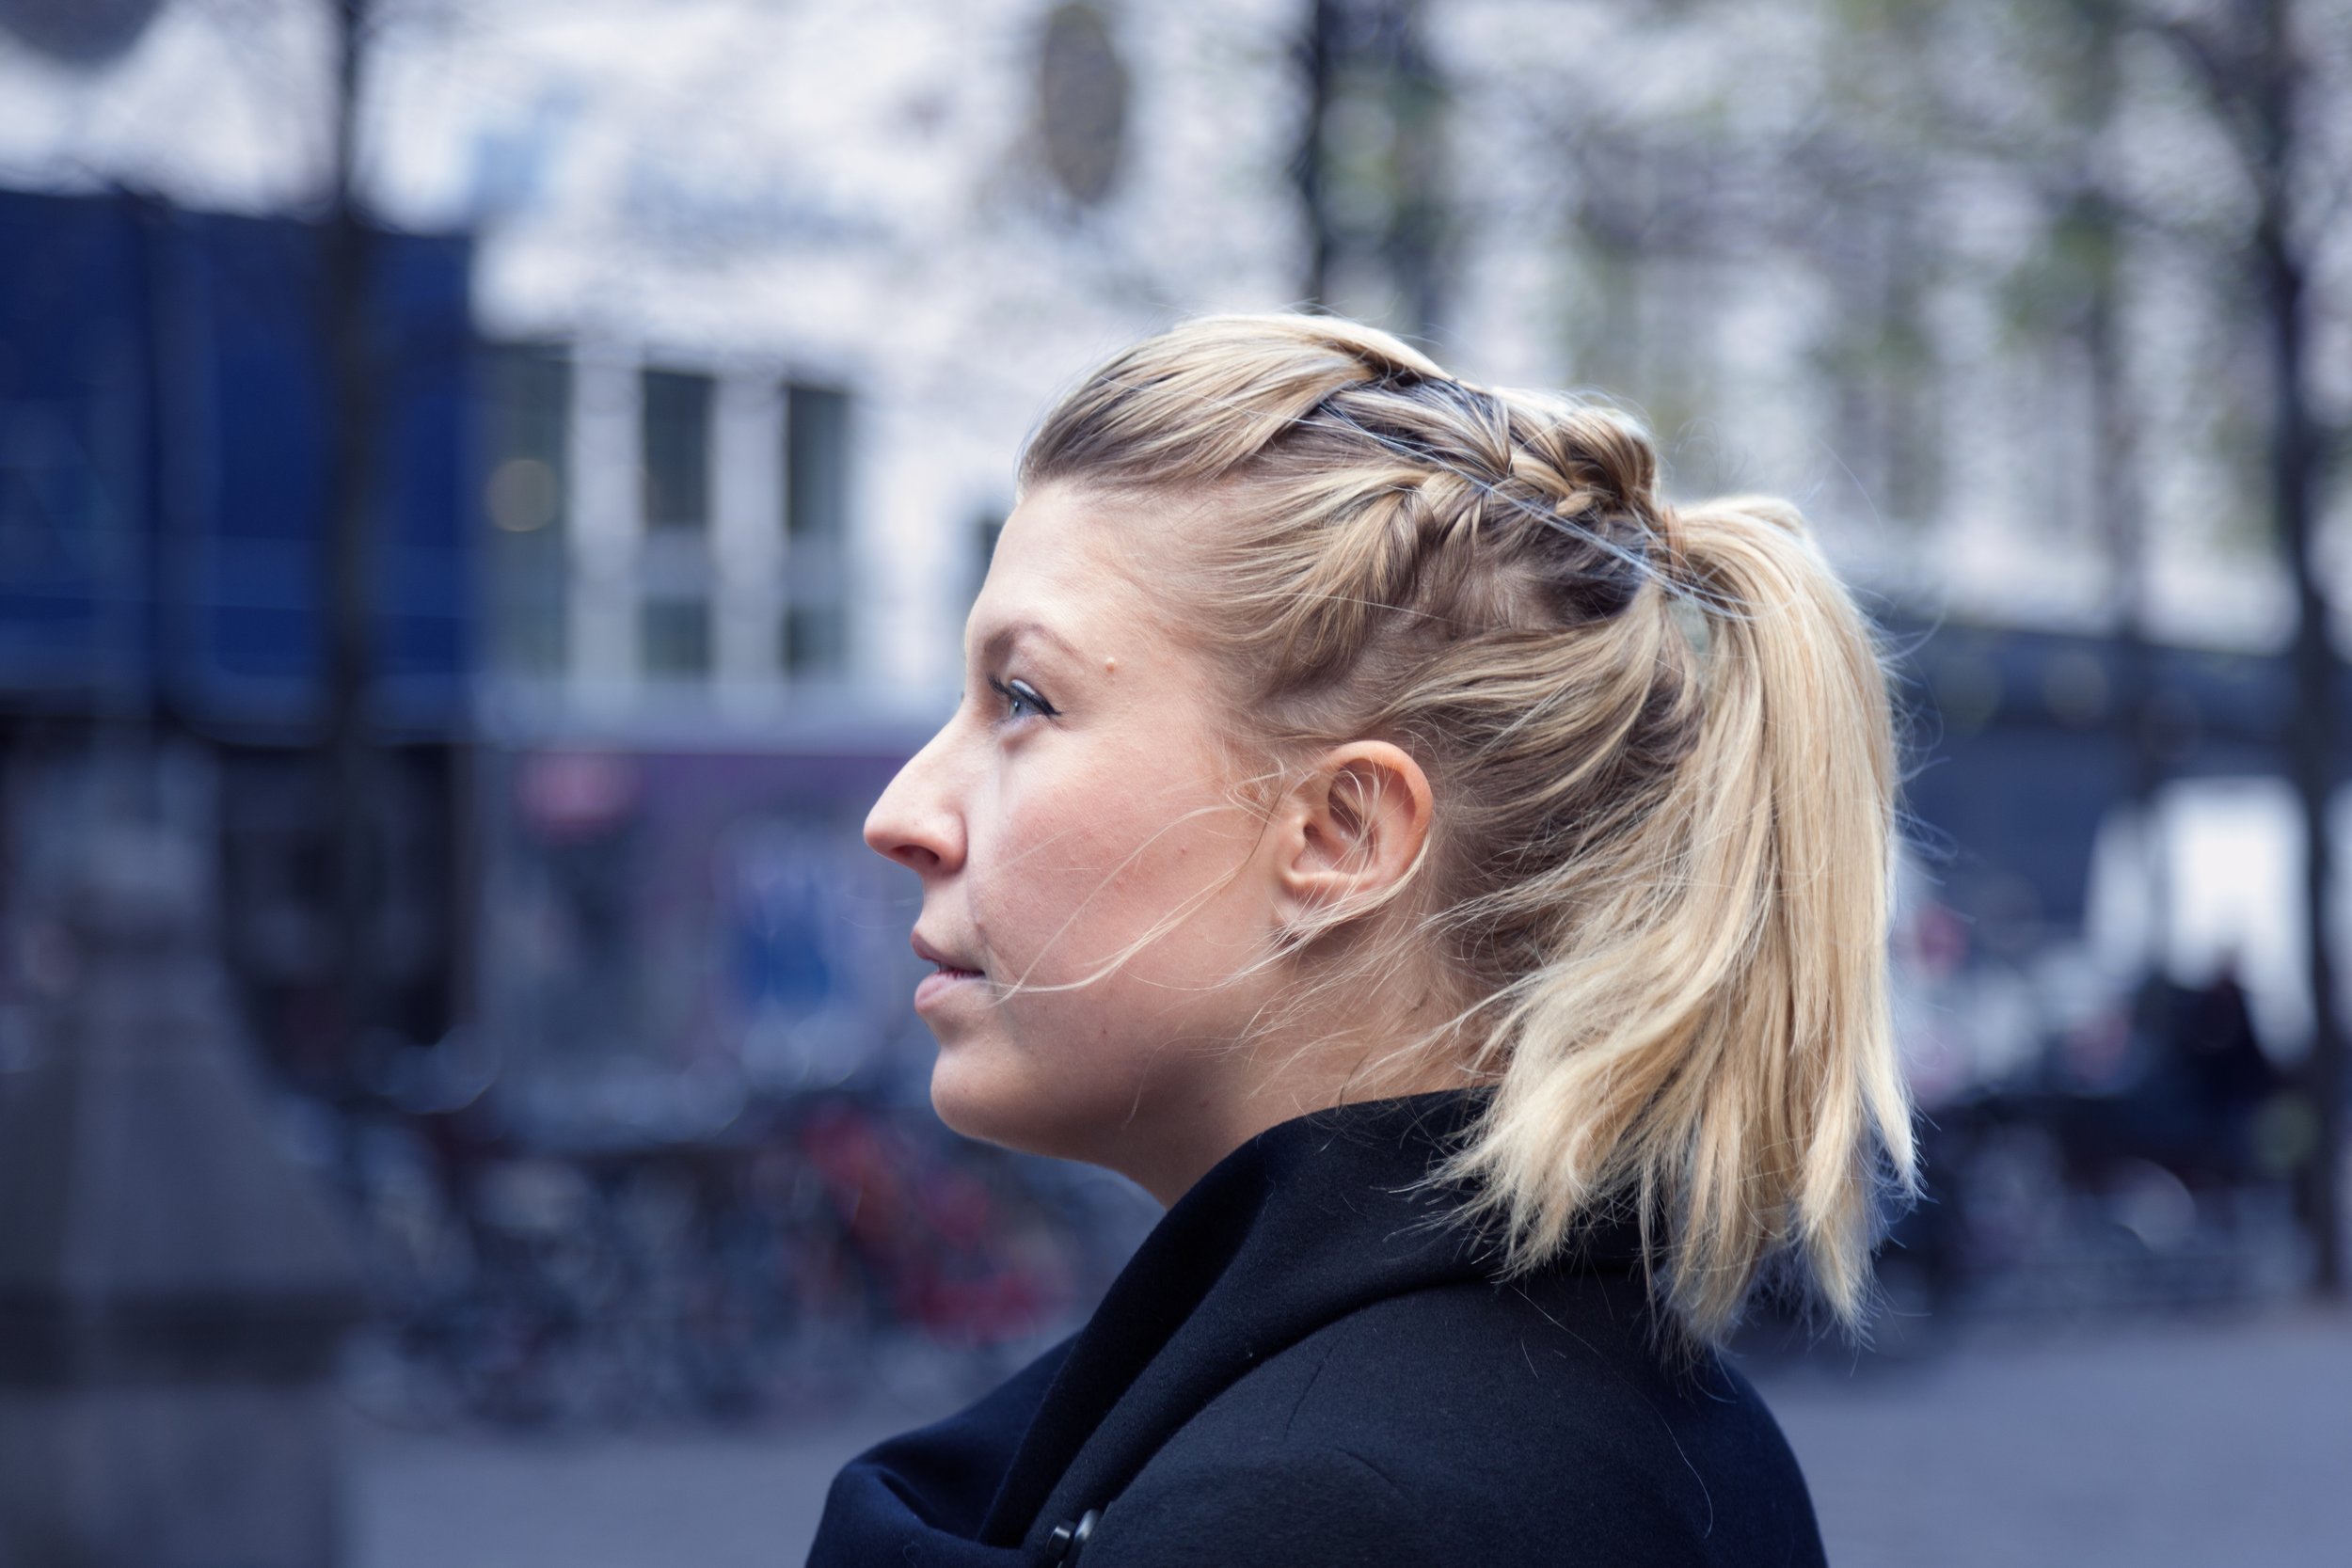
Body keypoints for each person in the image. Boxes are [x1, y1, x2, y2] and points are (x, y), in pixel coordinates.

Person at [812, 314, 1913, 1566]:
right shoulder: (1631, 1410)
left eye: (1023, 700)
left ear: (1341, 835)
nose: (899, 814)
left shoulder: (1320, 1511)